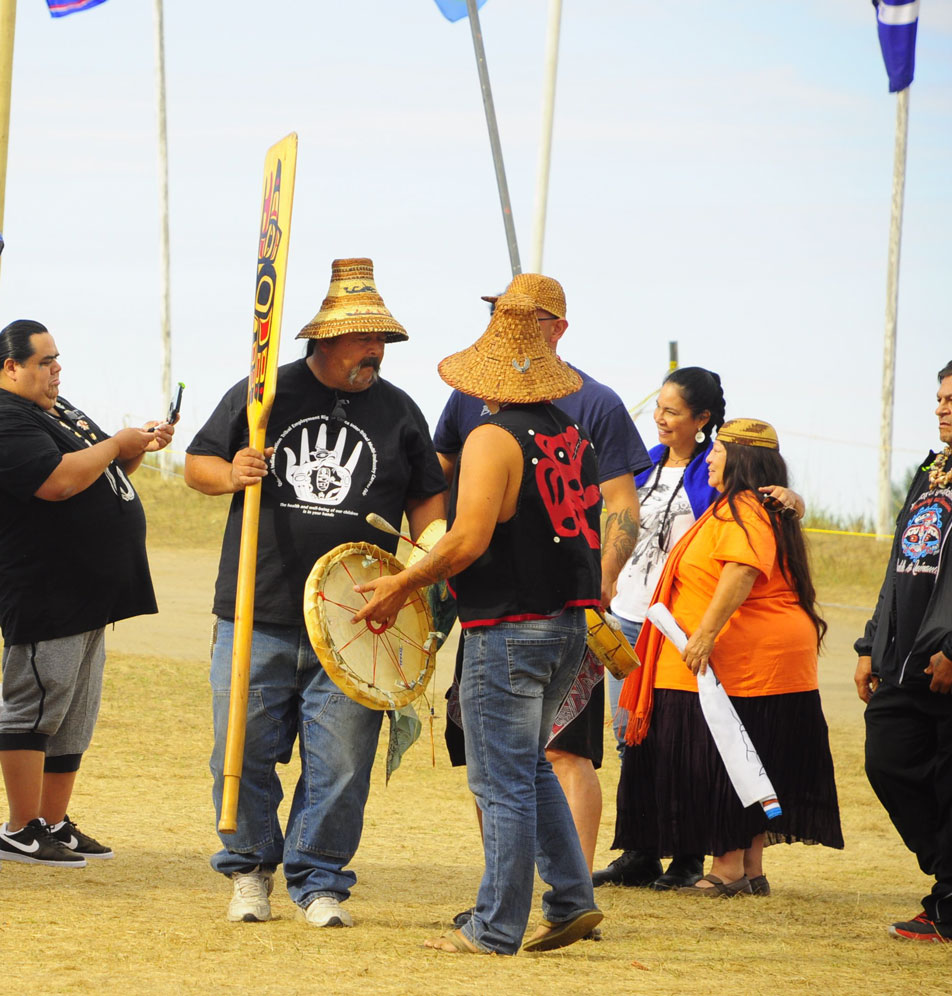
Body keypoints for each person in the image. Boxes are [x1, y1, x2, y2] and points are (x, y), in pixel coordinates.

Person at [185, 258, 446, 928]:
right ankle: (249, 870)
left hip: (360, 621)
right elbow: (196, 464)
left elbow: (429, 506)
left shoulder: (401, 412)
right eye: (365, 339)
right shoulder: (264, 394)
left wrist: (421, 569)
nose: (376, 351)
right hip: (258, 609)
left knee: (342, 762)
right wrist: (233, 473)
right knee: (239, 750)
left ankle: (319, 879)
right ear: (326, 340)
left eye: (382, 339)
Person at [354, 290, 604, 955]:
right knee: (527, 768)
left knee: (500, 781)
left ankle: (494, 927)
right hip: (565, 625)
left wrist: (403, 584)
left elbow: (466, 540)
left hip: (511, 626)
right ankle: (572, 899)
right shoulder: (569, 433)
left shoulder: (493, 437)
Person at [432, 272, 646, 899]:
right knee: (505, 759)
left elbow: (620, 503)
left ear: (559, 328)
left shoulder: (593, 403)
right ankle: (549, 895)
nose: (506, 328)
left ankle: (525, 906)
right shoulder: (473, 402)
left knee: (547, 759)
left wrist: (601, 582)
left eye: (523, 318)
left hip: (541, 611)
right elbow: (438, 475)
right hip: (502, 607)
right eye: (500, 315)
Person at [0, 319, 171, 867]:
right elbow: (57, 481)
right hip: (45, 589)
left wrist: (136, 445)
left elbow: (102, 467)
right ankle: (19, 827)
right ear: (12, 367)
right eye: (45, 361)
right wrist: (116, 443)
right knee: (36, 705)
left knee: (74, 712)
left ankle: (53, 821)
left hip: (86, 590)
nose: (57, 370)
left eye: (57, 359)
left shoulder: (55, 409)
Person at [612, 419, 843, 897]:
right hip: (755, 662)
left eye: (717, 451)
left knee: (725, 762)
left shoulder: (744, 509)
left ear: (740, 459)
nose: (710, 459)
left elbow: (741, 570)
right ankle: (750, 869)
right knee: (749, 758)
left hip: (738, 661)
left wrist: (704, 636)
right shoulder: (745, 506)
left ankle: (729, 869)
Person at [859, 353, 952, 943]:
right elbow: (899, 563)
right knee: (886, 761)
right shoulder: (933, 471)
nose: (940, 409)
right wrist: (869, 643)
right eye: (939, 399)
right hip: (904, 661)